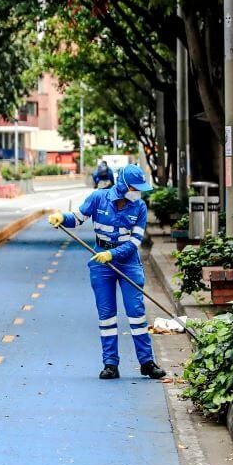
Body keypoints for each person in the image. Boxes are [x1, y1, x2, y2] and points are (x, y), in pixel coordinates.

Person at [47, 163, 167, 380]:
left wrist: (113, 254)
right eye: (135, 188)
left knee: (137, 313)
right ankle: (110, 364)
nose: (138, 193)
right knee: (107, 316)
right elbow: (77, 218)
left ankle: (147, 363)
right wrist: (61, 218)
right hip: (101, 262)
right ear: (123, 185)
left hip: (128, 262)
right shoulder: (98, 198)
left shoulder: (139, 206)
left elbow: (135, 241)